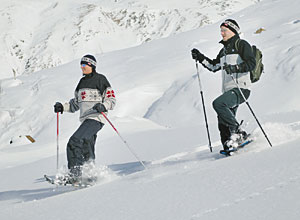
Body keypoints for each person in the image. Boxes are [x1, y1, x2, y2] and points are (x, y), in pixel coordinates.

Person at [191, 19, 256, 152]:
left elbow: (251, 64)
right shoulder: (224, 51)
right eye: (221, 30)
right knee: (222, 121)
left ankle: (239, 134)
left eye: (224, 30)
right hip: (228, 90)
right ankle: (229, 146)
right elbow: (214, 66)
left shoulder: (242, 45)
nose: (222, 33)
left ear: (233, 31)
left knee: (218, 104)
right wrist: (200, 57)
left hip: (241, 88)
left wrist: (235, 68)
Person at [54, 54, 116, 183]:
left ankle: (75, 174)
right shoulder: (81, 83)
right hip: (85, 119)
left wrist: (103, 106)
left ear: (91, 65)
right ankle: (90, 175)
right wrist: (62, 107)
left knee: (74, 141)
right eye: (81, 65)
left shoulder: (100, 79)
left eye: (84, 65)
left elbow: (112, 100)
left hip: (96, 117)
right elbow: (75, 104)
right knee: (86, 146)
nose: (82, 67)